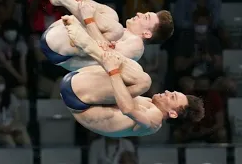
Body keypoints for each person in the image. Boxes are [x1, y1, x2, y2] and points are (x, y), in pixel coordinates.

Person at [59, 16, 204, 137]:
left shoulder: (154, 121)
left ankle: (88, 39)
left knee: (144, 81)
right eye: (172, 92)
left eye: (172, 97)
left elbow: (127, 109)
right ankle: (92, 28)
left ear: (173, 113)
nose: (167, 92)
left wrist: (113, 71)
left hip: (78, 97)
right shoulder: (148, 102)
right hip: (80, 89)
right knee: (136, 68)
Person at [38, 0, 173, 71]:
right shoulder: (123, 32)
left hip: (61, 51)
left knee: (116, 29)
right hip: (61, 33)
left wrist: (89, 19)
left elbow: (103, 56)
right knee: (112, 15)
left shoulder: (136, 46)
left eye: (146, 17)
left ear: (147, 34)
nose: (139, 14)